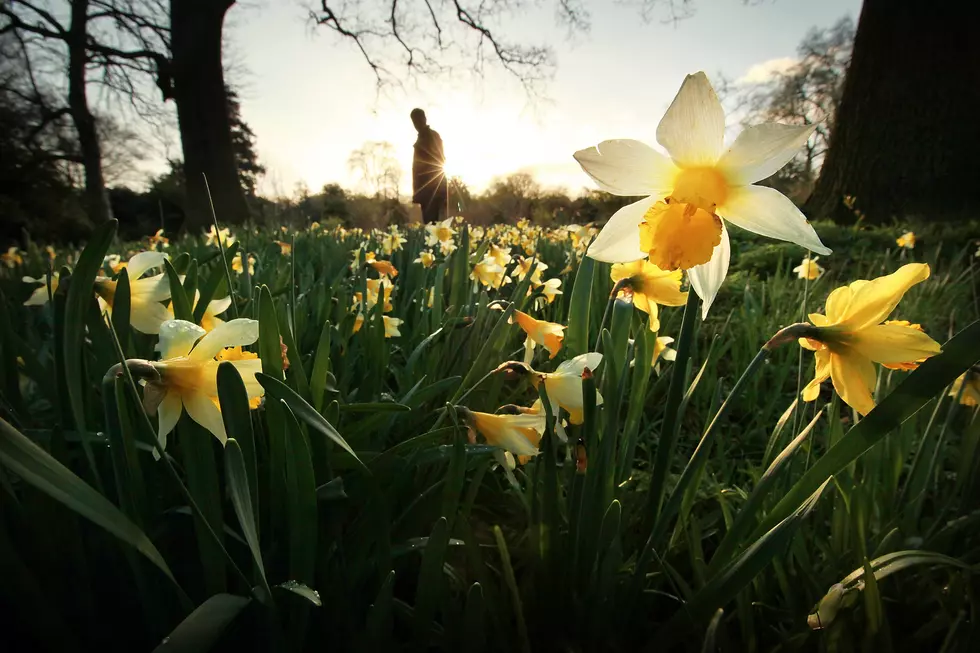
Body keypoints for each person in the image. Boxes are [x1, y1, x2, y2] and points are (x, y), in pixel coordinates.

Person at [410, 108, 448, 223]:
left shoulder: (433, 136)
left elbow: (439, 160)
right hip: (424, 190)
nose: (416, 124)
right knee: (429, 225)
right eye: (414, 122)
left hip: (434, 189)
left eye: (418, 120)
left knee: (436, 226)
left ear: (424, 119)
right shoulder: (421, 138)